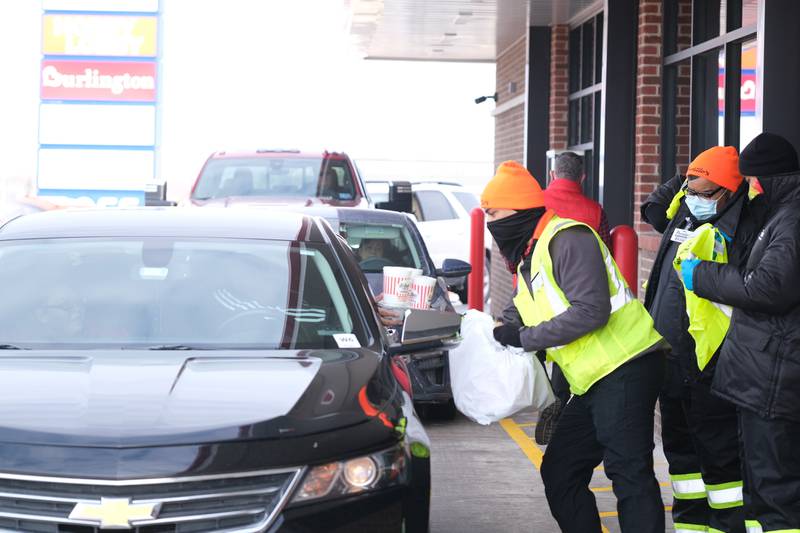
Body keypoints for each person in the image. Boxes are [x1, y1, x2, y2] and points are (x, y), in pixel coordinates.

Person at [484, 160, 666, 533]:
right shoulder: (530, 253)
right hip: (592, 380)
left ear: (517, 209)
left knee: (628, 474)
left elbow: (591, 311)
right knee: (560, 470)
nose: (490, 223)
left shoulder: (568, 238)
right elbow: (520, 306)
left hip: (625, 367)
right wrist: (488, 330)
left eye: (493, 213)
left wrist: (523, 338)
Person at [641, 146, 767, 533]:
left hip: (712, 365)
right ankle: (691, 526)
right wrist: (688, 177)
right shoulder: (686, 212)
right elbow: (651, 208)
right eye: (690, 190)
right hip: (671, 358)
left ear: (730, 191)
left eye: (705, 191)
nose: (694, 199)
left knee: (720, 460)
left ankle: (726, 527)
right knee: (681, 459)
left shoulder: (746, 230)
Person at [683, 133, 800, 533]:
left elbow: (766, 287)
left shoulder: (790, 220)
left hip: (774, 375)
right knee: (762, 490)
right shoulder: (780, 215)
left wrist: (701, 274)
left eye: (751, 180)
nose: (747, 188)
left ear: (767, 180)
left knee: (775, 495)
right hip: (761, 373)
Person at [536, 151, 613, 445]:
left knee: (537, 344)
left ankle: (543, 395)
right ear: (582, 177)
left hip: (538, 293)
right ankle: (560, 398)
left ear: (552, 175)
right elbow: (606, 256)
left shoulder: (537, 204)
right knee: (568, 350)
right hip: (577, 295)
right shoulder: (594, 211)